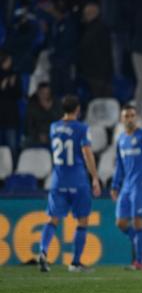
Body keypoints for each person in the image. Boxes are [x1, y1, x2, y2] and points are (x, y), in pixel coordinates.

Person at [38, 95, 102, 273]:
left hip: (58, 180)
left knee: (53, 219)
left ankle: (43, 252)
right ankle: (75, 262)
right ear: (78, 109)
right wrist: (95, 177)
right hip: (78, 179)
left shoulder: (54, 127)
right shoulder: (82, 128)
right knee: (82, 221)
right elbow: (87, 153)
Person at [110, 105, 142, 270]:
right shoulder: (121, 140)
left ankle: (139, 261)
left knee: (138, 221)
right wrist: (115, 185)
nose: (130, 119)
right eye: (126, 116)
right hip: (127, 186)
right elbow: (119, 166)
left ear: (136, 118)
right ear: (121, 119)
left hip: (141, 184)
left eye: (132, 115)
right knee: (121, 222)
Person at [24, 82, 62, 148]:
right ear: (38, 93)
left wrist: (50, 110)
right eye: (42, 93)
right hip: (36, 136)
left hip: (52, 135)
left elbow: (60, 122)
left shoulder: (56, 103)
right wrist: (38, 136)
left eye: (47, 93)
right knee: (26, 142)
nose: (45, 95)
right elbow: (29, 125)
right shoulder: (32, 105)